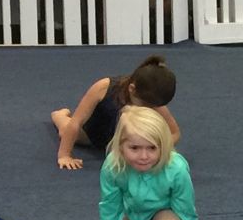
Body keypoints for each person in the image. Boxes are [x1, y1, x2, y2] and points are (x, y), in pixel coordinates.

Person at [52, 55, 180, 168]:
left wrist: (159, 148)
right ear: (132, 89)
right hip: (92, 134)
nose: (151, 109)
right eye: (147, 105)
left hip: (120, 141)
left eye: (155, 106)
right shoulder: (104, 87)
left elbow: (174, 133)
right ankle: (60, 115)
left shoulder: (152, 100)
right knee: (66, 130)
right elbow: (76, 123)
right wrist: (64, 155)